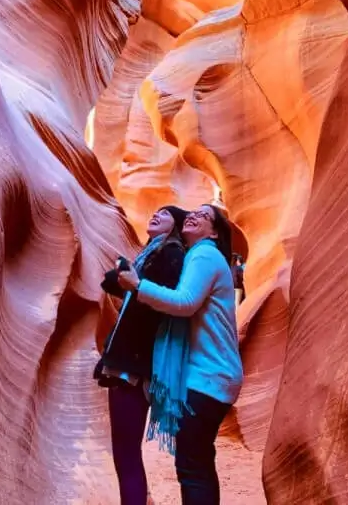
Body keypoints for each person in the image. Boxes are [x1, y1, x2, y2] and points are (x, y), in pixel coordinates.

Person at [118, 204, 243, 505]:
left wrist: (138, 286)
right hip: (214, 375)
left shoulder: (204, 253)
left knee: (192, 465)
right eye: (193, 212)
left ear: (214, 232)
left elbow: (185, 301)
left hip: (209, 376)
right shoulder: (199, 256)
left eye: (205, 215)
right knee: (197, 460)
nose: (194, 215)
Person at [94, 205, 188, 505]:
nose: (156, 214)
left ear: (176, 225)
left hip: (134, 362)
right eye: (154, 211)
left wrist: (135, 282)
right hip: (129, 358)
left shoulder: (171, 253)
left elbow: (162, 300)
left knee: (126, 453)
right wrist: (126, 276)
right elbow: (113, 284)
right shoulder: (150, 254)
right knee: (125, 452)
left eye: (166, 213)